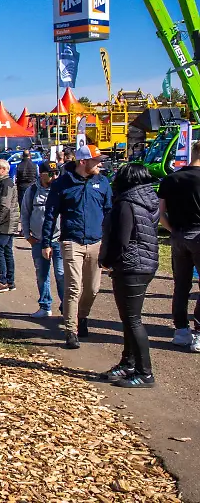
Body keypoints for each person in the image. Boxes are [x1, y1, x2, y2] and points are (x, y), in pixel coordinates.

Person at [41, 144, 113, 350]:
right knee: (74, 287)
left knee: (92, 289)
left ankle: (82, 317)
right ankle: (70, 331)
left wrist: (110, 241)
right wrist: (46, 242)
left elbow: (109, 212)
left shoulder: (103, 182)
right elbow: (50, 215)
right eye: (96, 161)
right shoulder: (63, 184)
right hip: (71, 241)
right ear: (83, 162)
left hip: (96, 242)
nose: (100, 164)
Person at [99, 164, 160, 388]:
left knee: (133, 320)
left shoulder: (126, 203)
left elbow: (121, 240)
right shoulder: (149, 198)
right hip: (145, 262)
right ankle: (129, 363)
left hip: (131, 265)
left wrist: (108, 262)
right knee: (129, 319)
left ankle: (145, 373)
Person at [158, 139, 200, 352]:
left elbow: (160, 212)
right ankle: (199, 332)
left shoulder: (171, 178)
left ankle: (181, 330)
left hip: (178, 235)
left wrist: (172, 229)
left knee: (181, 285)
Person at [20, 161, 64, 318]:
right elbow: (24, 214)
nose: (54, 176)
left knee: (61, 274)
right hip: (38, 240)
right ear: (41, 174)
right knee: (42, 275)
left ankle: (67, 307)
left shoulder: (61, 190)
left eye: (57, 173)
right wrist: (27, 236)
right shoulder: (32, 191)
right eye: (51, 173)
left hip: (58, 239)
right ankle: (45, 306)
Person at [0, 159, 20, 292]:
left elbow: (4, 206)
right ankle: (10, 281)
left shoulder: (6, 184)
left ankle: (2, 281)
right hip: (4, 223)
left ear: (4, 169)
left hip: (4, 224)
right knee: (7, 251)